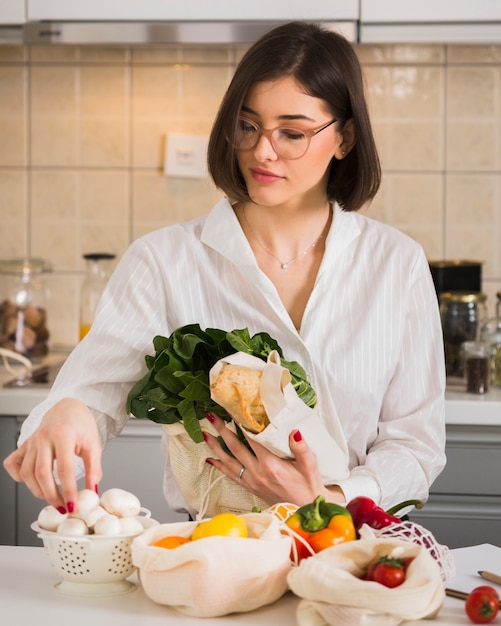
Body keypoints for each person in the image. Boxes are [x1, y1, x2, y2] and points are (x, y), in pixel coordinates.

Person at [3, 21, 446, 519]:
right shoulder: (164, 259)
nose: (262, 151)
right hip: (218, 550)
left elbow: (416, 445)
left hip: (359, 551)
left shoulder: (397, 264)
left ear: (344, 138)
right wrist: (67, 414)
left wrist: (330, 502)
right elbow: (92, 392)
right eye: (247, 125)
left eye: (292, 133)